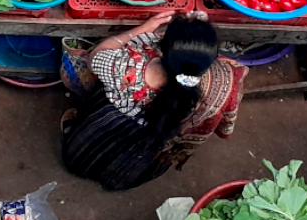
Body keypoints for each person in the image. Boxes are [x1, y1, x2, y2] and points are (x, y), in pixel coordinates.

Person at [60, 12, 245, 190]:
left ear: (162, 49)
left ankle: (83, 163)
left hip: (109, 123)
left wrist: (144, 28)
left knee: (88, 152)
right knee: (128, 163)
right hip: (151, 136)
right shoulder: (215, 83)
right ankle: (116, 178)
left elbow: (96, 56)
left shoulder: (127, 67)